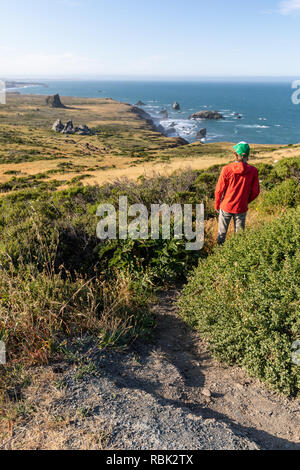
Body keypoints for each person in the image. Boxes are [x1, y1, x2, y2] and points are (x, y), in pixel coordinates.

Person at [215, 142, 260, 245]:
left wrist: (217, 204)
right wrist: (244, 201)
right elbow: (256, 192)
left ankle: (219, 254)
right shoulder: (253, 171)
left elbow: (219, 190)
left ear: (235, 154)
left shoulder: (227, 169)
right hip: (241, 207)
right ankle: (237, 256)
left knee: (221, 234)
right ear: (247, 155)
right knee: (240, 236)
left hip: (226, 206)